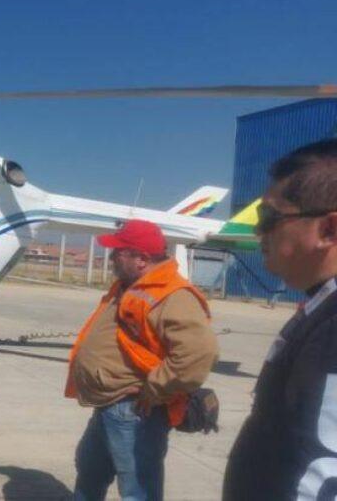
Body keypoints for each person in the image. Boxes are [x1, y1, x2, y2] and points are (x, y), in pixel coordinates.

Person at [65, 219, 218, 501]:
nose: (111, 258)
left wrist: (155, 389)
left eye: (118, 252)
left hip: (135, 410)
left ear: (142, 259)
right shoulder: (131, 284)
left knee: (138, 490)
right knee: (89, 472)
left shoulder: (173, 294)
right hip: (108, 405)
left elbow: (198, 354)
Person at [224, 138, 337, 500]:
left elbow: (324, 469)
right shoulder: (321, 306)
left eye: (268, 217)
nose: (258, 232)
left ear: (329, 230)